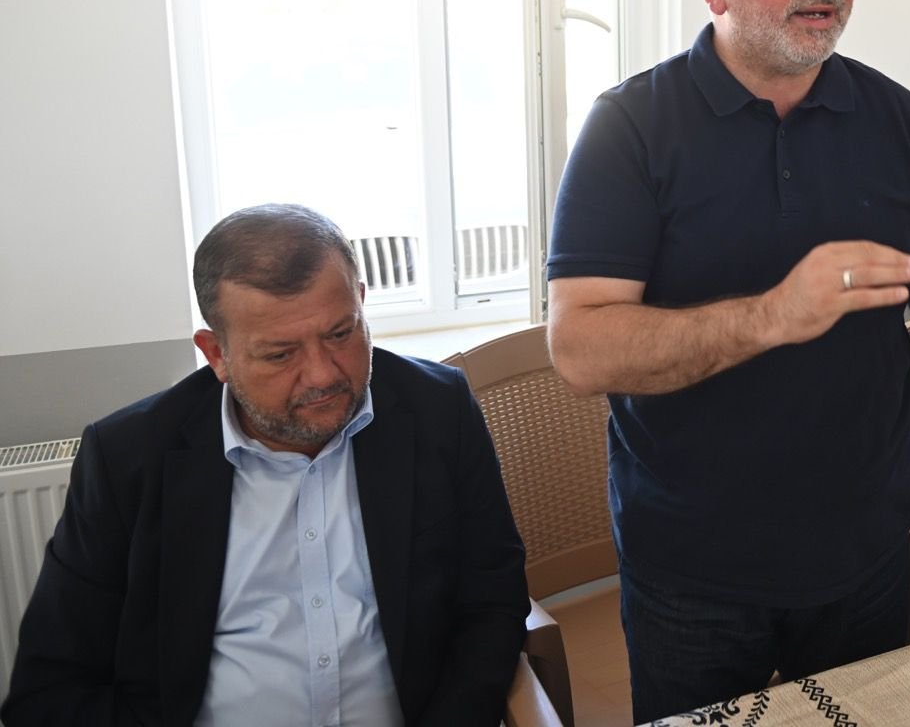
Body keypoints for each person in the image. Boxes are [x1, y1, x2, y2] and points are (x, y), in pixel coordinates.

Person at [544, 0, 910, 722]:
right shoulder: (631, 126)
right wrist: (770, 316)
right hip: (695, 568)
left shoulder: (894, 115)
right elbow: (579, 348)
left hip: (868, 546)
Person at [1, 204, 528, 727]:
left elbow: (492, 599)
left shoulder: (438, 409)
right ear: (217, 354)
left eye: (340, 333)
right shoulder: (128, 458)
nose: (323, 375)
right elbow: (49, 692)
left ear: (362, 304)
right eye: (280, 354)